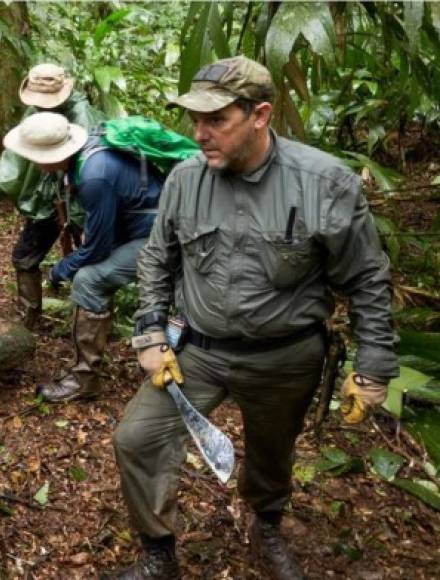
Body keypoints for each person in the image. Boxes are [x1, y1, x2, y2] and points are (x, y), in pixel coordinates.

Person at [110, 56, 399, 580]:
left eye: (216, 120)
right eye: (194, 120)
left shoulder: (324, 183)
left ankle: (265, 524)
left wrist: (373, 363)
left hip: (285, 357)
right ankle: (158, 551)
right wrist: (150, 332)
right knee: (137, 438)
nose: (200, 134)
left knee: (272, 451)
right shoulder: (183, 179)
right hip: (199, 350)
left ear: (260, 115)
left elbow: (367, 277)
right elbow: (158, 256)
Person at [3, 112, 163, 403]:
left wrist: (60, 270)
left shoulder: (94, 174)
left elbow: (97, 250)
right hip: (144, 226)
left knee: (89, 280)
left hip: (161, 236)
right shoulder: (86, 157)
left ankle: (84, 379)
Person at [0, 63, 103, 329]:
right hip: (47, 199)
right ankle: (29, 320)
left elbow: (92, 168)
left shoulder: (83, 116)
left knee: (89, 263)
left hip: (80, 201)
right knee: (24, 257)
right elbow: (20, 152)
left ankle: (90, 326)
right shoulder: (35, 111)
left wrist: (82, 217)